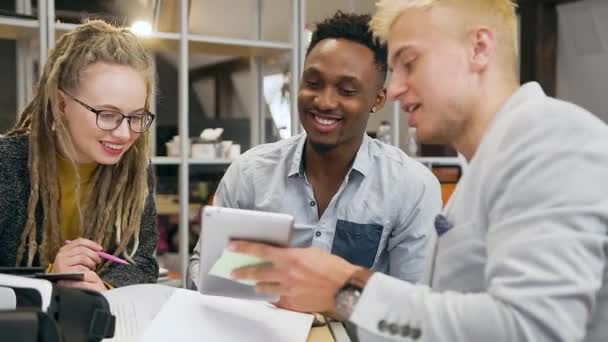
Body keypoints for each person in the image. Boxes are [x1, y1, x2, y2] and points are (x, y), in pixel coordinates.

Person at [228, 1, 608, 341]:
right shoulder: (488, 166)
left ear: (479, 49)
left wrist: (344, 290)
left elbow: (533, 330)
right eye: (392, 70)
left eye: (409, 63)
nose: (393, 90)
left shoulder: (550, 138)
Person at [187, 11, 441, 289]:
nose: (324, 101)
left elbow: (414, 304)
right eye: (313, 83)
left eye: (346, 90)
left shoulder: (411, 187)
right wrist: (246, 276)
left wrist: (335, 299)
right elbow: (203, 268)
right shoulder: (251, 172)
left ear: (378, 99)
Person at [0, 20, 159, 292]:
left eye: (136, 117)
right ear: (63, 105)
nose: (124, 134)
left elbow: (142, 261)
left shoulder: (135, 169)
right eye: (107, 115)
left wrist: (104, 286)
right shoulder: (7, 165)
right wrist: (51, 278)